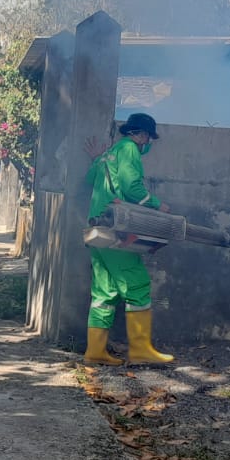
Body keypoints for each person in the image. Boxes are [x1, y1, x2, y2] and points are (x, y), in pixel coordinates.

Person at [84, 112, 174, 366]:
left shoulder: (108, 154)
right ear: (141, 135)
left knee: (105, 291)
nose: (147, 143)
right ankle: (141, 350)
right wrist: (157, 205)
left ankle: (96, 351)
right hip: (116, 228)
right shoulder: (129, 150)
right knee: (137, 284)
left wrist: (96, 159)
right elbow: (133, 186)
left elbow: (89, 179)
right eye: (148, 138)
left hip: (96, 228)